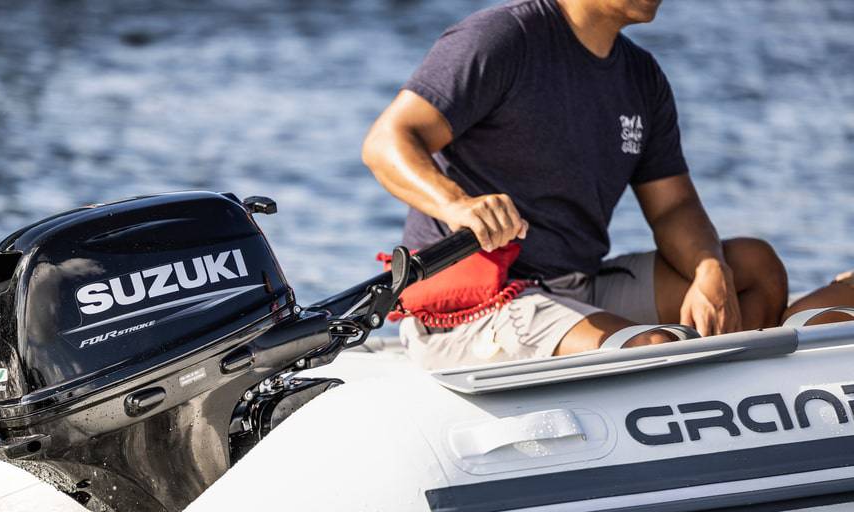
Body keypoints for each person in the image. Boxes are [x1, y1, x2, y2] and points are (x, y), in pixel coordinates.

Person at [362, 0, 852, 367]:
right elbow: (387, 141)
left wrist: (708, 270)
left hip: (575, 286)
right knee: (652, 351)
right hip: (479, 303)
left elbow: (672, 207)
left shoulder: (642, 76)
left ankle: (748, 398)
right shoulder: (501, 38)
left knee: (753, 266)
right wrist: (457, 205)